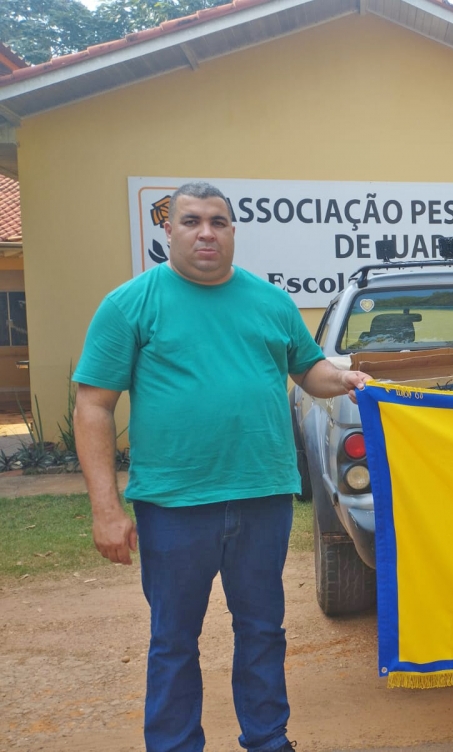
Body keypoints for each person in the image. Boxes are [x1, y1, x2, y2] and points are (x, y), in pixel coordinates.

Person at [73, 182, 369, 752]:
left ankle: (267, 739)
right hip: (174, 505)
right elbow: (93, 405)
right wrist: (106, 511)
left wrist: (348, 377)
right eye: (191, 221)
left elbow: (310, 372)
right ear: (169, 232)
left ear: (233, 231)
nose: (205, 232)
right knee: (173, 638)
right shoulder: (130, 304)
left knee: (262, 631)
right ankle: (174, 743)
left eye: (218, 221)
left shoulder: (271, 302)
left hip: (263, 496)